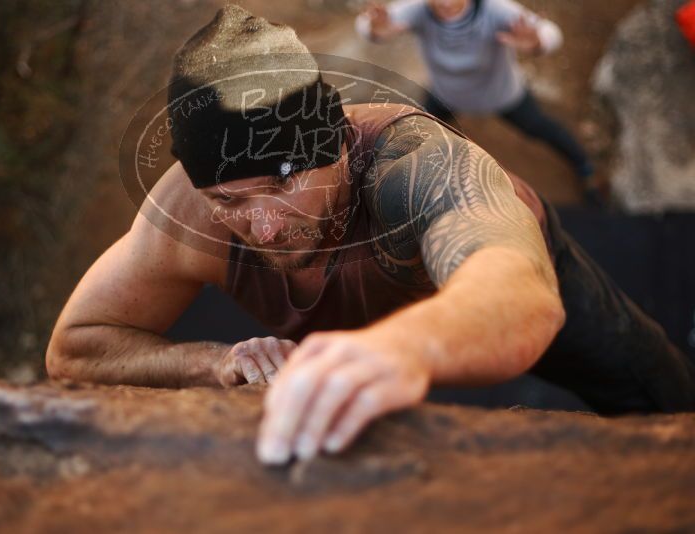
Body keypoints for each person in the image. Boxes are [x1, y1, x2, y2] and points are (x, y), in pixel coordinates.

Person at [46, 5, 695, 466]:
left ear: (334, 146)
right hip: (370, 317)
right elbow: (75, 349)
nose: (263, 227)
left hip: (498, 281)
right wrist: (209, 362)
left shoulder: (413, 165)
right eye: (230, 202)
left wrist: (398, 350)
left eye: (281, 185)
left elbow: (521, 293)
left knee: (653, 386)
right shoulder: (185, 213)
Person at [356, 0, 600, 203]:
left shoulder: (494, 10)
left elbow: (550, 33)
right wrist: (376, 30)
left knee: (540, 128)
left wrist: (536, 42)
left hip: (501, 95)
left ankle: (584, 166)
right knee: (410, 134)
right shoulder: (419, 10)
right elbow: (369, 24)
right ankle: (379, 184)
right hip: (447, 96)